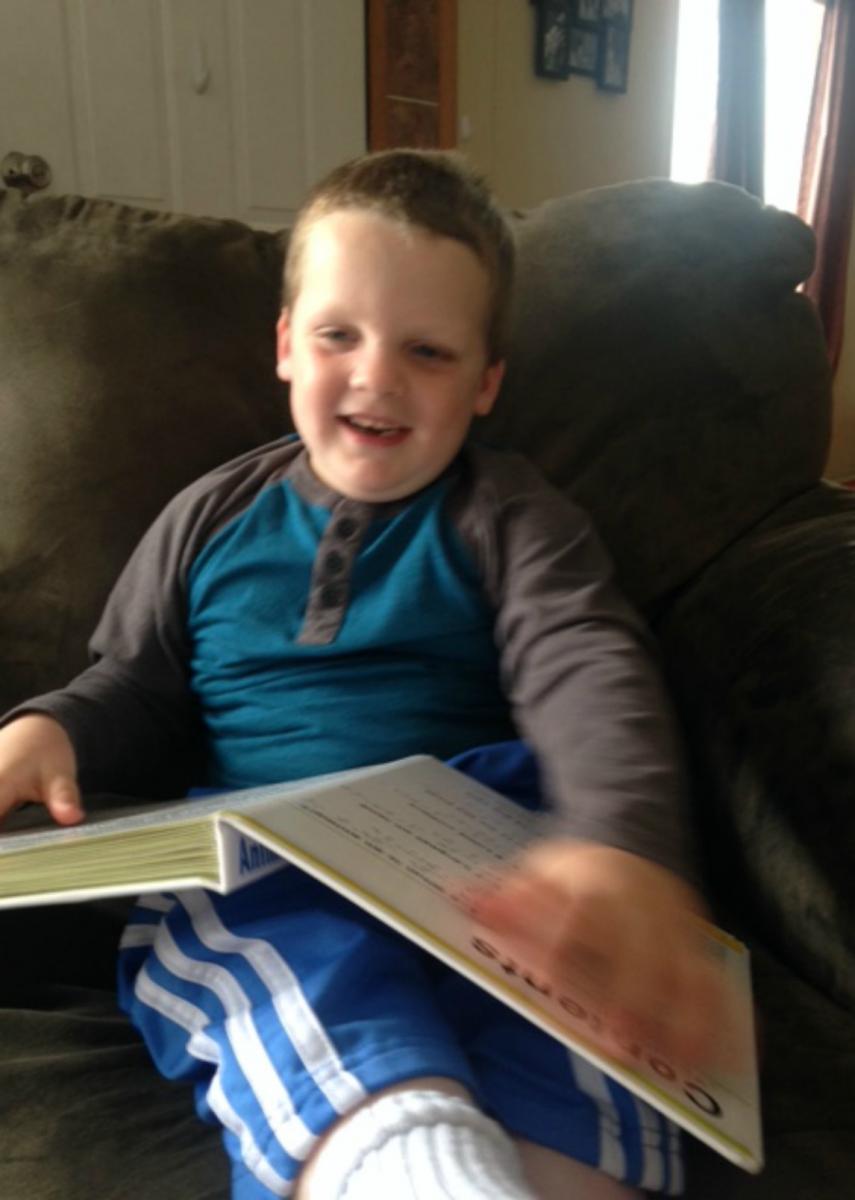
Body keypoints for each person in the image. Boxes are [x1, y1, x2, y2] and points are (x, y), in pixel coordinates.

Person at [0, 149, 722, 1200]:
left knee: (583, 1018)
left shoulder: (510, 515)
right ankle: (402, 1166)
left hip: (489, 859)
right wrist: (50, 729)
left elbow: (587, 663)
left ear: (484, 385)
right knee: (290, 962)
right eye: (340, 335)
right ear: (288, 346)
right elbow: (136, 684)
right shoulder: (210, 517)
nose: (376, 377)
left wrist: (620, 843)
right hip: (265, 855)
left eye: (426, 351)